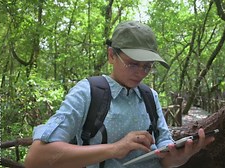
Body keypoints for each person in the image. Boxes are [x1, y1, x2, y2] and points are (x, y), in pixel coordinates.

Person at [25, 20, 214, 168]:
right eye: (133, 64)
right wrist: (116, 149)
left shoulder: (150, 96)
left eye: (147, 66)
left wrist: (180, 157)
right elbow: (37, 158)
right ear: (111, 56)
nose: (141, 72)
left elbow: (164, 159)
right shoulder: (87, 92)